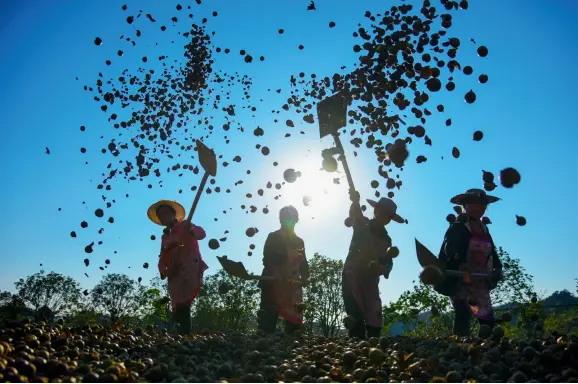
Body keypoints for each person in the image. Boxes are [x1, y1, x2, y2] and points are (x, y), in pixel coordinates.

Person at [435, 188, 503, 337]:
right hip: (462, 278)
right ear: (465, 205)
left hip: (480, 279)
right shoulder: (458, 227)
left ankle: (487, 349)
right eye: (472, 203)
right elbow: (449, 250)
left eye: (481, 204)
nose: (477, 207)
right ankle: (459, 349)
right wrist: (459, 263)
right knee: (463, 313)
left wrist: (497, 268)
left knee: (487, 318)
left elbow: (492, 252)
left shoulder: (484, 229)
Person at [343, 189, 405, 339]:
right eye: (383, 213)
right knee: (355, 313)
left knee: (374, 312)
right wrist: (354, 201)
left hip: (370, 280)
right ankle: (357, 348)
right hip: (353, 275)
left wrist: (382, 267)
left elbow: (386, 260)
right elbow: (354, 214)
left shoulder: (386, 240)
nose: (386, 217)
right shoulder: (362, 224)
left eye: (389, 216)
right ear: (376, 210)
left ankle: (373, 345)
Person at [147, 199, 208, 335]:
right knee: (177, 304)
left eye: (166, 213)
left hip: (189, 266)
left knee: (184, 303)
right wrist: (165, 271)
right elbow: (163, 257)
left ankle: (184, 335)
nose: (164, 216)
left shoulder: (186, 225)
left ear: (173, 214)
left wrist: (191, 231)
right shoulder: (165, 237)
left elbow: (202, 234)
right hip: (174, 273)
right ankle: (178, 334)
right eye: (160, 215)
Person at [257, 205, 310, 335]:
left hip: (292, 285)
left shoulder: (299, 242)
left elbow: (303, 263)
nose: (289, 222)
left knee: (294, 324)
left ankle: (292, 348)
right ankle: (264, 347)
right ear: (280, 220)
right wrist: (277, 271)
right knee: (268, 320)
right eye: (286, 218)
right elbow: (267, 258)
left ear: (296, 220)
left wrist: (306, 277)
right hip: (273, 283)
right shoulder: (273, 237)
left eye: (292, 219)